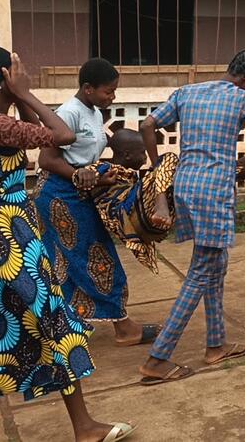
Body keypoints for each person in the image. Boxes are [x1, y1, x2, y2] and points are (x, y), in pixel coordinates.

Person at [0, 45, 134, 442]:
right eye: (16, 71)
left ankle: (83, 426)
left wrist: (17, 98)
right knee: (54, 320)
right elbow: (61, 136)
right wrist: (25, 94)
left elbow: (42, 138)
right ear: (3, 78)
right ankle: (84, 427)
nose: (23, 74)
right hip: (6, 238)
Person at [138, 50, 245, 385]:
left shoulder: (188, 92)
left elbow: (148, 125)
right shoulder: (242, 99)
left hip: (186, 187)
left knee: (216, 265)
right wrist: (242, 162)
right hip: (215, 191)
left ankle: (216, 344)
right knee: (201, 272)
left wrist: (157, 164)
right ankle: (157, 359)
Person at [34, 58, 158, 346]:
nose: (112, 97)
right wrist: (80, 174)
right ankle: (123, 328)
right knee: (95, 258)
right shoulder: (69, 113)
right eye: (108, 91)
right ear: (88, 88)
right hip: (59, 197)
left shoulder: (92, 112)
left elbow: (85, 156)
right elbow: (47, 159)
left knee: (71, 261)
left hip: (77, 194)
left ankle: (67, 324)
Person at [83, 129, 180, 273]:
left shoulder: (131, 178)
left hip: (143, 222)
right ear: (127, 154)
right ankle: (162, 207)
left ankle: (165, 213)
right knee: (169, 158)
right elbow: (82, 180)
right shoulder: (104, 169)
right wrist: (92, 177)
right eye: (142, 152)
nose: (145, 158)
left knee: (172, 180)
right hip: (130, 213)